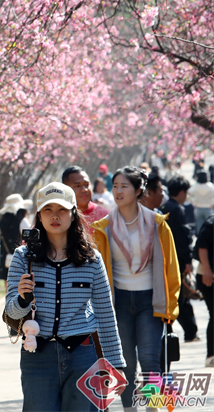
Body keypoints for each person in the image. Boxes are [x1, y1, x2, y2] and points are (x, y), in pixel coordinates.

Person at [6, 182, 124, 412]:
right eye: (48, 210)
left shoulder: (92, 259)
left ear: (73, 214)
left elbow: (105, 313)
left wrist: (115, 363)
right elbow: (11, 312)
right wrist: (22, 298)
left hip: (82, 356)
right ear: (39, 215)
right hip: (37, 356)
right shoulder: (23, 257)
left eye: (61, 209)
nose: (55, 216)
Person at [91, 167, 181, 412]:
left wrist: (170, 307)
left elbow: (171, 268)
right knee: (126, 363)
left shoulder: (157, 224)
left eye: (124, 186)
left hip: (150, 301)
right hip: (118, 302)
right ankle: (130, 409)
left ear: (138, 190)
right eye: (115, 186)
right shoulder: (104, 227)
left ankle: (153, 407)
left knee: (150, 360)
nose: (118, 191)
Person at [159, 176, 198, 342]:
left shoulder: (162, 207)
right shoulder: (177, 209)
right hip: (177, 260)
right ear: (181, 192)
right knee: (181, 298)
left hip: (163, 259)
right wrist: (188, 260)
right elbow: (182, 237)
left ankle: (171, 330)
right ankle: (190, 331)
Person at [0, 194, 33, 291]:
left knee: (8, 288)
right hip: (20, 258)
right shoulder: (22, 220)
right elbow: (30, 238)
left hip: (5, 257)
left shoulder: (1, 222)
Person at [62, 166, 109, 234]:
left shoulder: (105, 217)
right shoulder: (59, 216)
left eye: (87, 184)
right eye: (77, 186)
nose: (84, 190)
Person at [196, 215, 214, 367]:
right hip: (208, 277)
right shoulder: (211, 223)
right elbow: (202, 247)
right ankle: (211, 355)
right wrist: (207, 270)